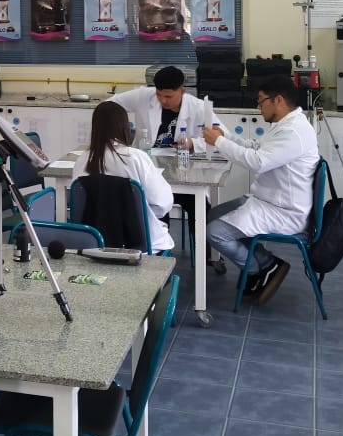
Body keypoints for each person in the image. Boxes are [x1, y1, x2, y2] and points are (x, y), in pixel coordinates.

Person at [202, 75, 319, 305]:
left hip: (284, 211)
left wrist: (219, 143)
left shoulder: (294, 132)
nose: (258, 107)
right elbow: (257, 148)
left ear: (278, 100)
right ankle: (265, 262)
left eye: (261, 101)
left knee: (215, 232)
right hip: (269, 200)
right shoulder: (286, 125)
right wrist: (226, 137)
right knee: (213, 215)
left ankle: (260, 268)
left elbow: (258, 161)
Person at [106, 65, 222, 245]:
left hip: (183, 173)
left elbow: (221, 135)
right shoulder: (144, 96)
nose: (163, 100)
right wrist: (120, 131)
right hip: (149, 169)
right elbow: (108, 106)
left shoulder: (197, 107)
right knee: (154, 206)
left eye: (168, 96)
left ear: (182, 91)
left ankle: (205, 254)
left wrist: (194, 143)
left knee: (199, 208)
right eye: (159, 95)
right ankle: (158, 251)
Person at [72, 102, 175, 253]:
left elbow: (78, 203)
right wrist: (142, 212)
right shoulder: (137, 157)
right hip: (139, 244)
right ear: (124, 127)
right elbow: (162, 204)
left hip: (94, 244)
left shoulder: (83, 160)